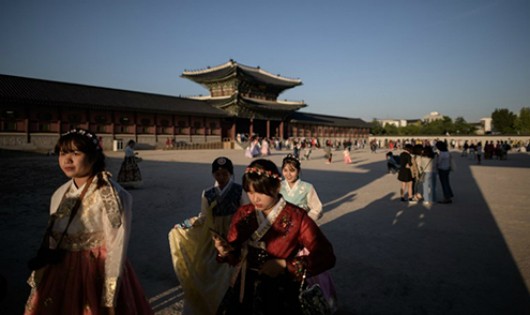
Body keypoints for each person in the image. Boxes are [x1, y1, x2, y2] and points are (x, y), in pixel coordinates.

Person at [24, 128, 153, 315]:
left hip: (95, 267)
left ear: (93, 157)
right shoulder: (60, 193)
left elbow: (116, 244)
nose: (67, 160)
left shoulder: (111, 195)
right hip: (61, 266)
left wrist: (109, 294)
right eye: (62, 153)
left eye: (76, 153)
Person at [214, 159, 336, 314]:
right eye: (250, 192)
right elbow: (235, 254)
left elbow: (326, 255)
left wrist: (285, 265)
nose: (255, 198)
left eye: (261, 192)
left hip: (282, 289)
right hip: (245, 286)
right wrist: (225, 250)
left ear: (277, 187)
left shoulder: (297, 217)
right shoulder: (244, 213)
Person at [168, 157, 249, 315]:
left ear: (230, 174)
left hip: (234, 235)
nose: (221, 177)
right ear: (213, 175)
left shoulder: (239, 190)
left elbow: (246, 211)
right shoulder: (208, 193)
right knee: (210, 271)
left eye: (225, 173)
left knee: (230, 273)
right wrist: (184, 225)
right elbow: (203, 217)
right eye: (218, 174)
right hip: (214, 237)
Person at [280, 155, 338, 313]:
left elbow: (317, 207)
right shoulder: (278, 186)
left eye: (292, 170)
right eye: (285, 170)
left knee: (307, 265)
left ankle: (316, 299)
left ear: (298, 171)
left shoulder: (307, 187)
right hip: (283, 232)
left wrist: (304, 221)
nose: (288, 174)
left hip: (302, 231)